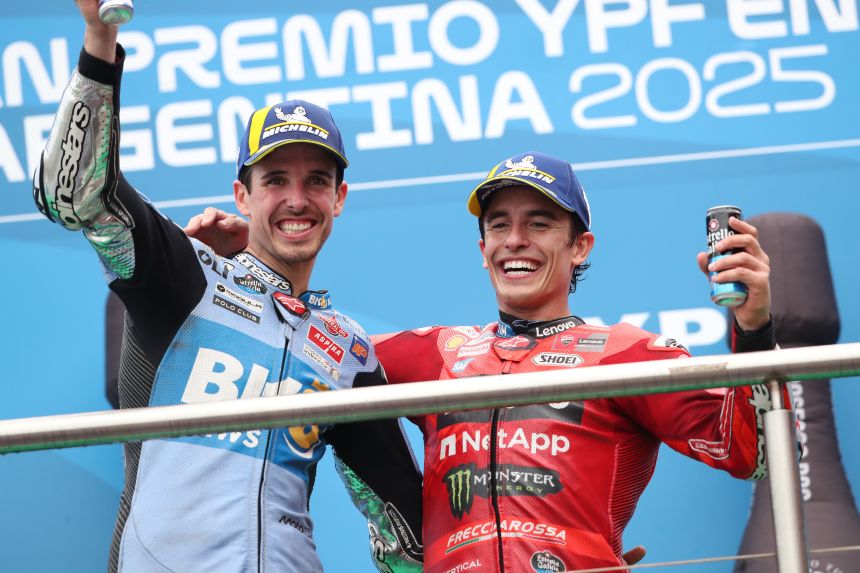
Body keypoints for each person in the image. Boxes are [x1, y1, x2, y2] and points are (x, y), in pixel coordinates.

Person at [193, 149, 784, 571]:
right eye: (499, 225)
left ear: (580, 246)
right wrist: (242, 271)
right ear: (482, 250)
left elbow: (754, 452)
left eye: (540, 223)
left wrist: (754, 326)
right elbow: (305, 346)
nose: (515, 239)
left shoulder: (625, 353)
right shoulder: (433, 353)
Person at [31, 2, 423, 572]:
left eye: (317, 181)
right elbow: (77, 197)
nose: (296, 199)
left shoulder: (349, 353)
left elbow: (403, 518)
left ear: (339, 199)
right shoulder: (189, 274)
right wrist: (99, 39)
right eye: (274, 181)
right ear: (242, 195)